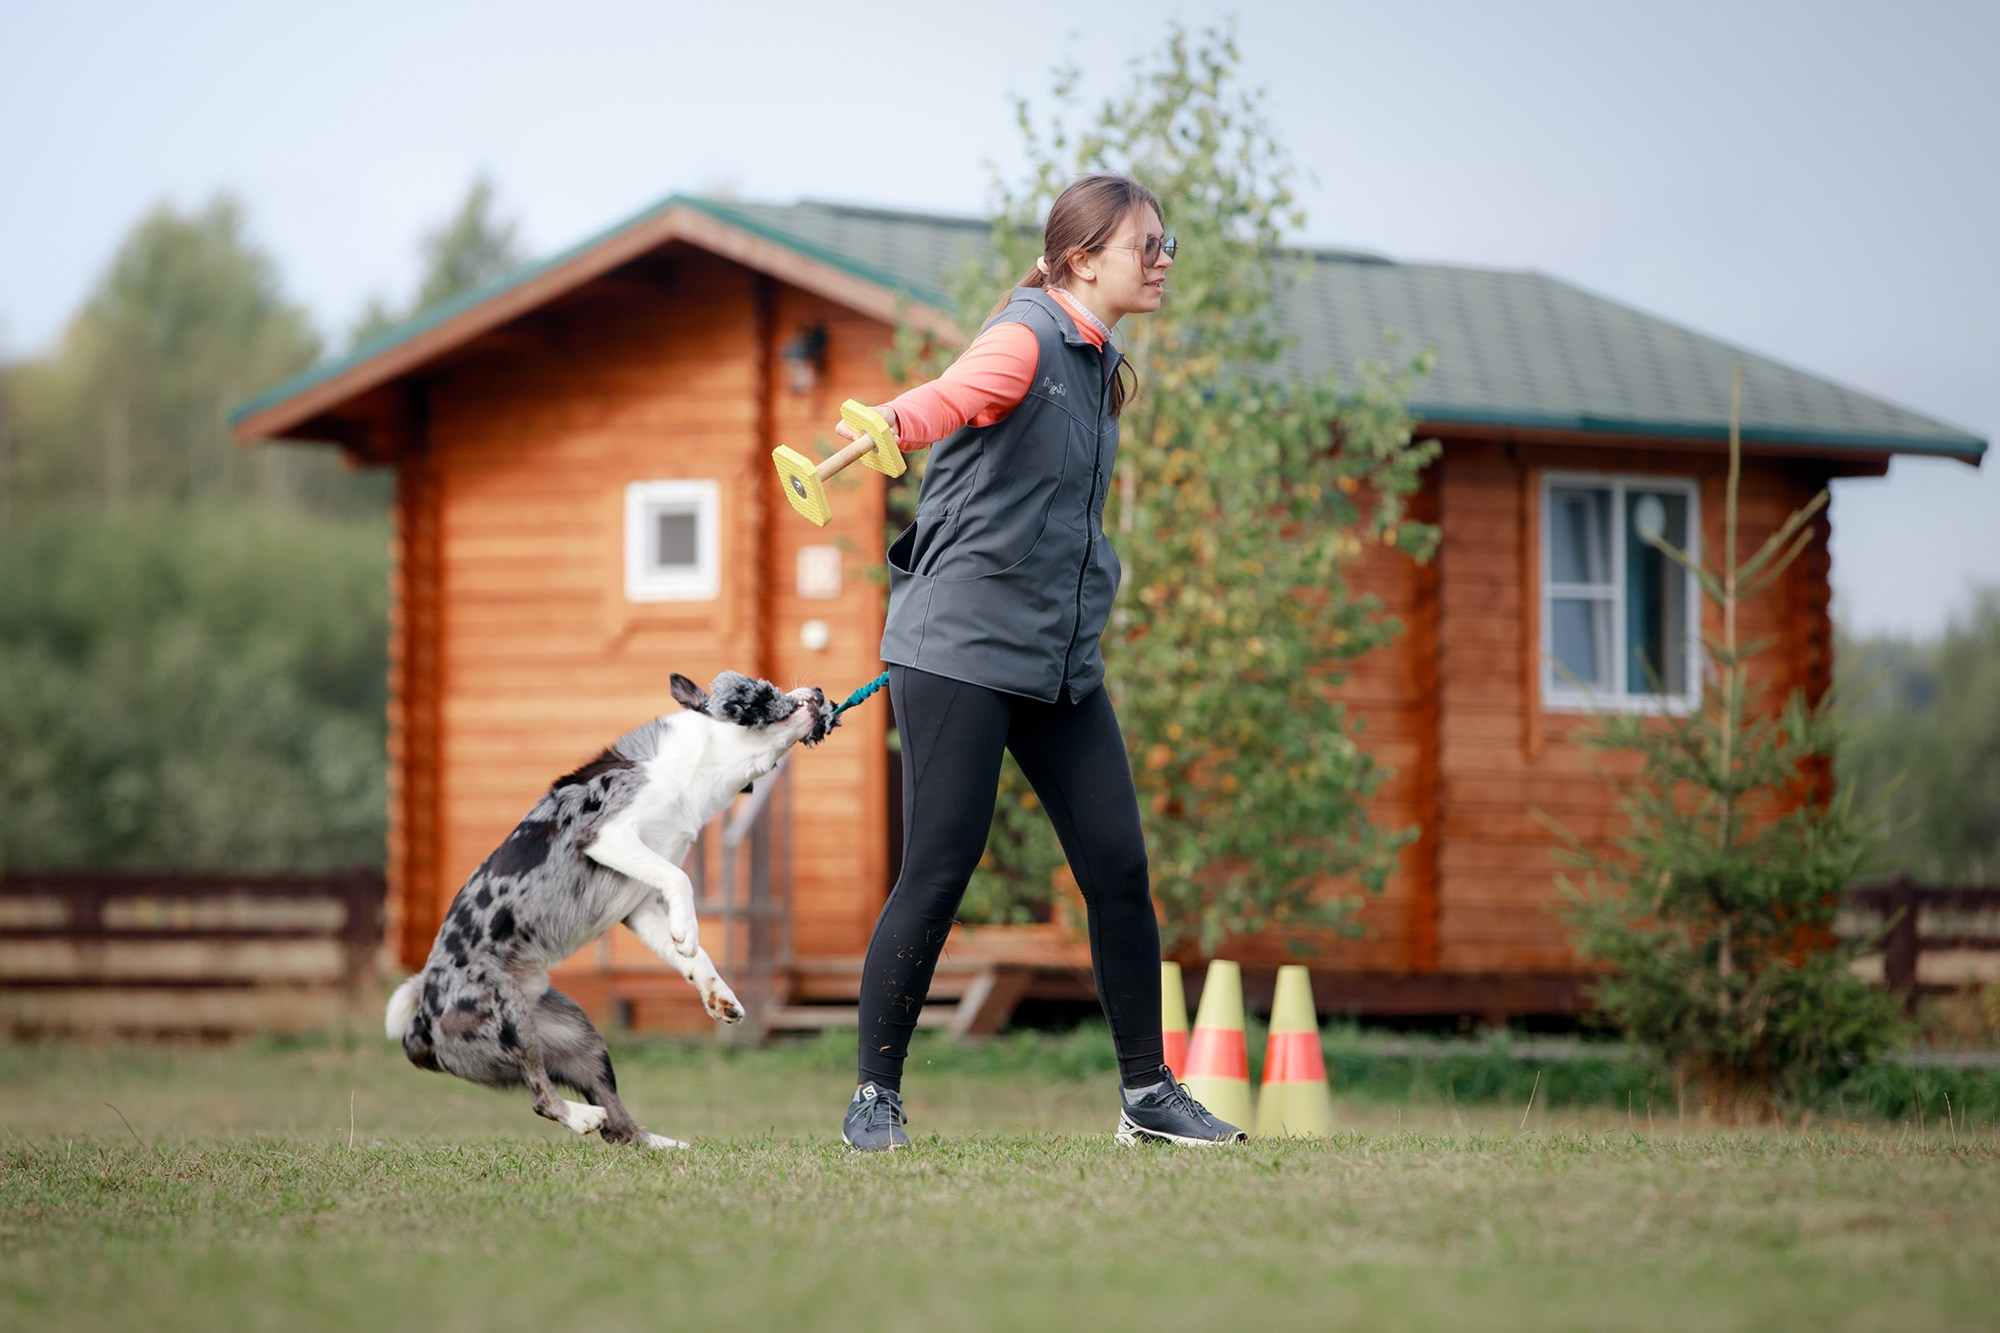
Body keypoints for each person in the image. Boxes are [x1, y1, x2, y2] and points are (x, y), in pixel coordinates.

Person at [834, 174, 1246, 1150]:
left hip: (1058, 662)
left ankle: (1146, 1096)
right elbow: (946, 397)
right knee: (937, 869)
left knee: (1116, 865)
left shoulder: (1098, 362)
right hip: (960, 651)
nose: (1159, 262)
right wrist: (886, 423)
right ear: (1078, 260)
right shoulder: (1024, 338)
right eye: (1143, 245)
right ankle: (872, 1099)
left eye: (1164, 245)